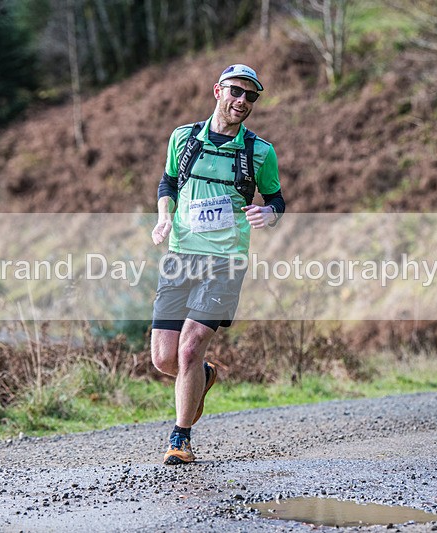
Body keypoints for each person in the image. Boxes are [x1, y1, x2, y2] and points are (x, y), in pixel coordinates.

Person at [150, 64, 286, 465]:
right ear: (217, 91)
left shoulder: (259, 152)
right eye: (235, 92)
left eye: (250, 96)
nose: (242, 100)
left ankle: (181, 438)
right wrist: (163, 215)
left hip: (226, 261)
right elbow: (168, 182)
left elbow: (277, 198)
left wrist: (269, 214)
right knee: (164, 359)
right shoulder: (183, 138)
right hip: (180, 256)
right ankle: (205, 376)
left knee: (189, 348)